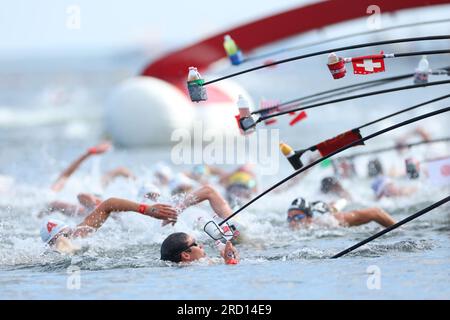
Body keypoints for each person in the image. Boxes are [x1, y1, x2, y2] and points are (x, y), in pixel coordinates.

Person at [40, 198, 178, 254]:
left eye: (70, 232)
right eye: (66, 235)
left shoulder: (80, 232)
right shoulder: (58, 246)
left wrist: (146, 209)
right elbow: (63, 245)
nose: (73, 235)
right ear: (50, 244)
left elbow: (109, 204)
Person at [287, 197, 395, 229]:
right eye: (289, 219)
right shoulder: (290, 230)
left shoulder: (329, 221)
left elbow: (375, 212)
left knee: (337, 205)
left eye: (297, 218)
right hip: (319, 208)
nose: (292, 223)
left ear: (309, 218)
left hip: (327, 210)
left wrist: (399, 229)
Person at [160, 232, 239, 265]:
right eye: (195, 244)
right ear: (186, 255)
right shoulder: (196, 268)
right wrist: (230, 260)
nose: (200, 246)